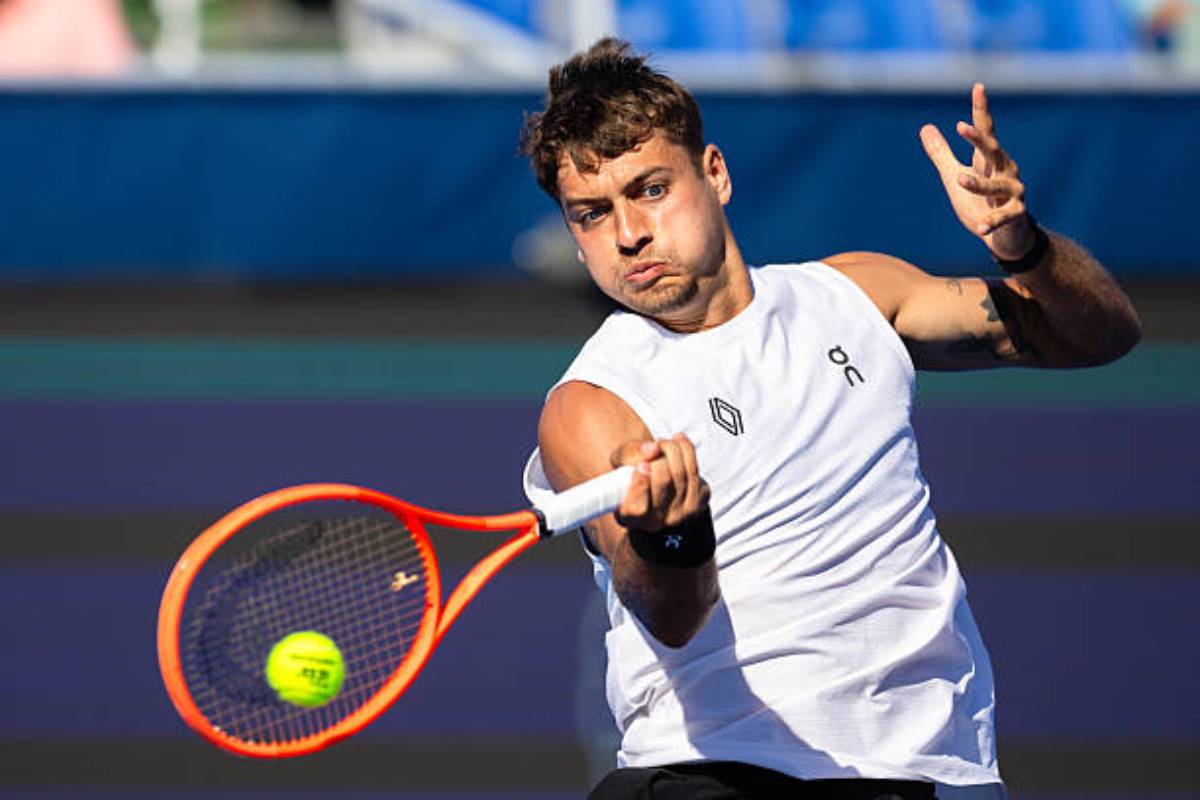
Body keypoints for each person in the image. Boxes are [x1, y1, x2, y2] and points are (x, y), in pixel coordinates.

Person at [519, 38, 1141, 800]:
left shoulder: (857, 295)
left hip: (938, 772)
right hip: (717, 774)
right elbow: (671, 615)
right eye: (591, 214)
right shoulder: (591, 403)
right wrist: (672, 532)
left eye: (650, 189)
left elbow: (1100, 335)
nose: (627, 234)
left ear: (715, 173)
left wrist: (1025, 247)